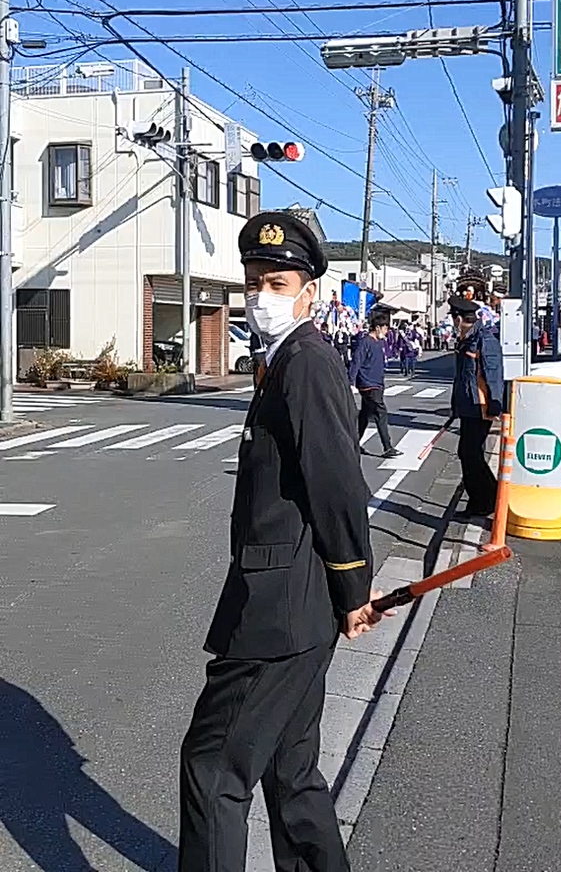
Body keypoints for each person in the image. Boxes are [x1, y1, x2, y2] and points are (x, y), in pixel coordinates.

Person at [178, 212, 393, 872]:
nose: (259, 296)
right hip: (297, 602)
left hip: (277, 610)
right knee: (290, 767)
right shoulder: (284, 359)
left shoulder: (307, 361)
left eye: (275, 281)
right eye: (252, 282)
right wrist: (345, 591)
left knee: (213, 767)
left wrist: (354, 587)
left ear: (309, 291)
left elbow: (337, 485)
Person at [450, 296, 504, 518]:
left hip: (480, 406)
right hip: (468, 405)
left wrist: (495, 404)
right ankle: (483, 499)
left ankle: (487, 499)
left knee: (470, 454)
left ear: (460, 319)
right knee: (468, 454)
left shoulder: (484, 340)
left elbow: (493, 374)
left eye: (454, 318)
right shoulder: (466, 340)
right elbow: (461, 379)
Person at [349, 309, 400, 458]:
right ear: (377, 328)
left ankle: (353, 444)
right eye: (385, 328)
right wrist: (351, 381)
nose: (386, 331)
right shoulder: (365, 342)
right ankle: (387, 447)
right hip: (368, 384)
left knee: (365, 415)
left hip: (377, 383)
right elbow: (356, 361)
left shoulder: (379, 343)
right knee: (381, 413)